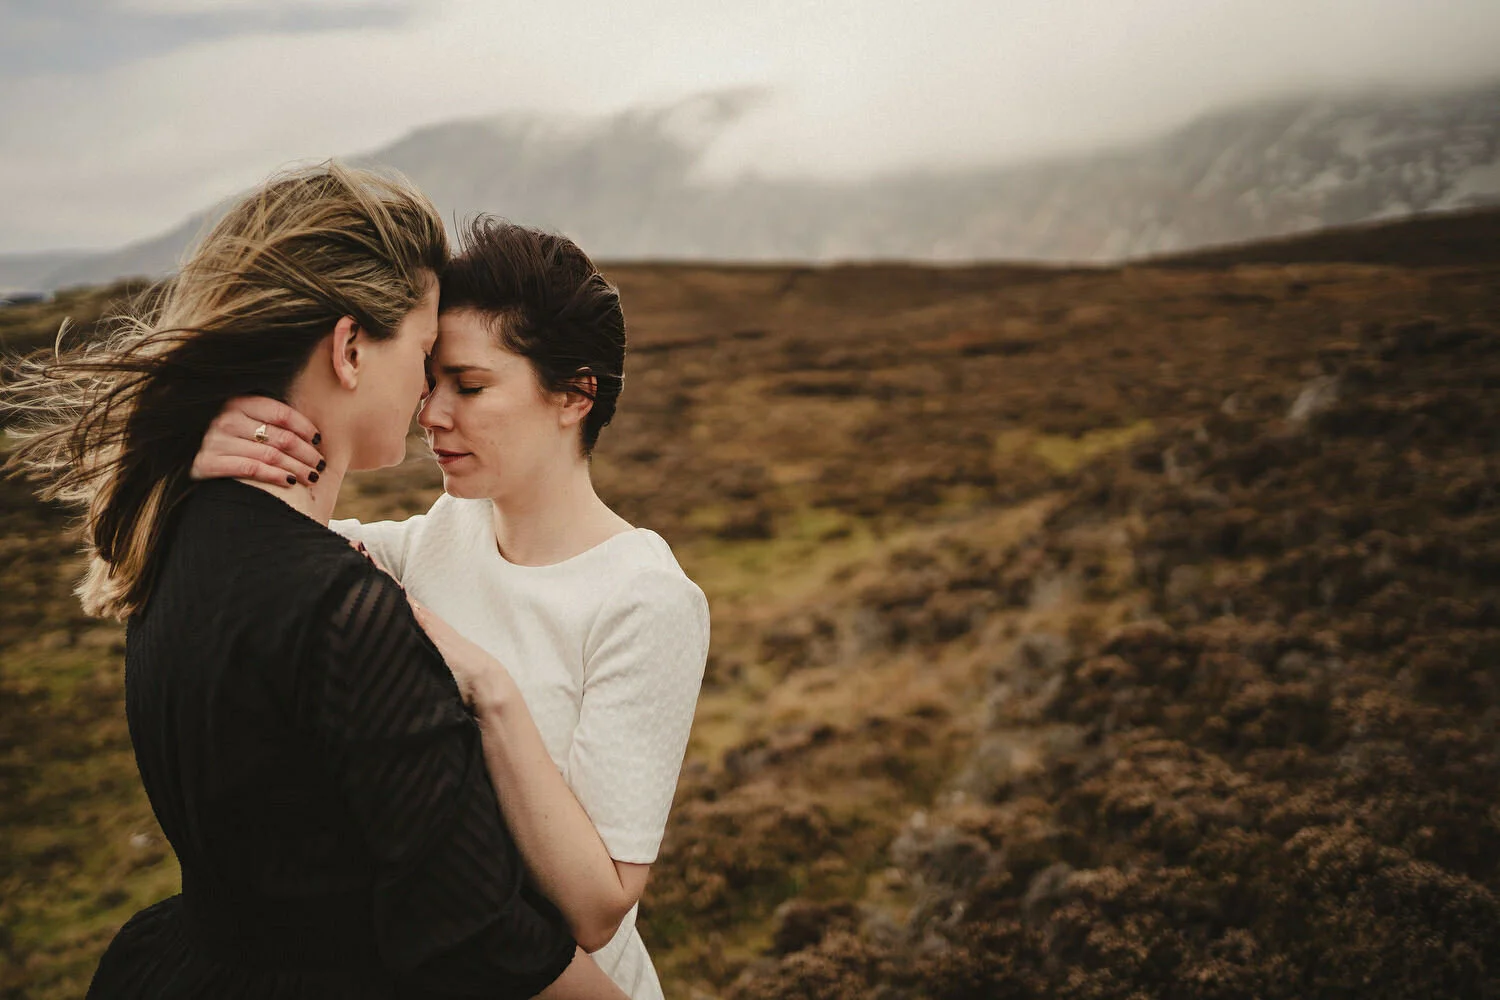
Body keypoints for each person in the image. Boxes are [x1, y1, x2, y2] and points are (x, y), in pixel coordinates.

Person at [1, 164, 626, 999]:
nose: (428, 398)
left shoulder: (180, 530)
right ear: (347, 349)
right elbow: (478, 938)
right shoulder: (345, 612)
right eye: (421, 353)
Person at [189, 218, 711, 999]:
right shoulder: (443, 531)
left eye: (469, 387)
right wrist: (211, 456)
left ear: (575, 395)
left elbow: (599, 906)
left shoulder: (645, 600)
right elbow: (279, 551)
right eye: (430, 381)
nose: (430, 413)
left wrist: (491, 693)